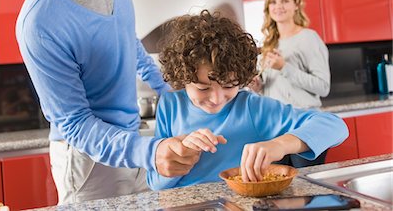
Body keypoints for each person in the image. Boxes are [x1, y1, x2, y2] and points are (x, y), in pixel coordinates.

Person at [16, 0, 199, 204]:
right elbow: (75, 124)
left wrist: (167, 90)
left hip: (133, 140)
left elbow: (126, 36)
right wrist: (149, 152)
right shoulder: (40, 24)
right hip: (89, 161)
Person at [146, 10, 348, 190]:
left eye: (229, 85)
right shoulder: (170, 105)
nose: (216, 98)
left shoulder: (251, 107)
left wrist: (280, 145)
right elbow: (154, 183)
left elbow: (335, 125)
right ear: (183, 78)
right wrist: (179, 160)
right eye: (203, 88)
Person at [250, 0, 331, 167]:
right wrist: (257, 86)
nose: (278, 6)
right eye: (273, 2)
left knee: (307, 186)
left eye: (285, 1)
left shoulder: (308, 38)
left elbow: (323, 87)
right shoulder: (269, 43)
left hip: (304, 125)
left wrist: (284, 67)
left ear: (296, 4)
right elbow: (273, 90)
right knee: (279, 188)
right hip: (275, 126)